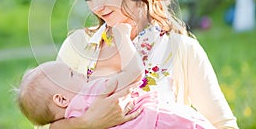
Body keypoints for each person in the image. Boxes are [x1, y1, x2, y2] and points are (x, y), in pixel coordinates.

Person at [36, 0, 238, 128]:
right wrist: (88, 124)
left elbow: (223, 125)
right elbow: (45, 122)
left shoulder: (181, 49)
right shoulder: (78, 46)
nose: (96, 7)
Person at [17, 25, 216, 128]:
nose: (78, 72)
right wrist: (121, 36)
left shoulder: (69, 116)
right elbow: (135, 73)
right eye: (71, 73)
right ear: (60, 99)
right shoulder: (93, 92)